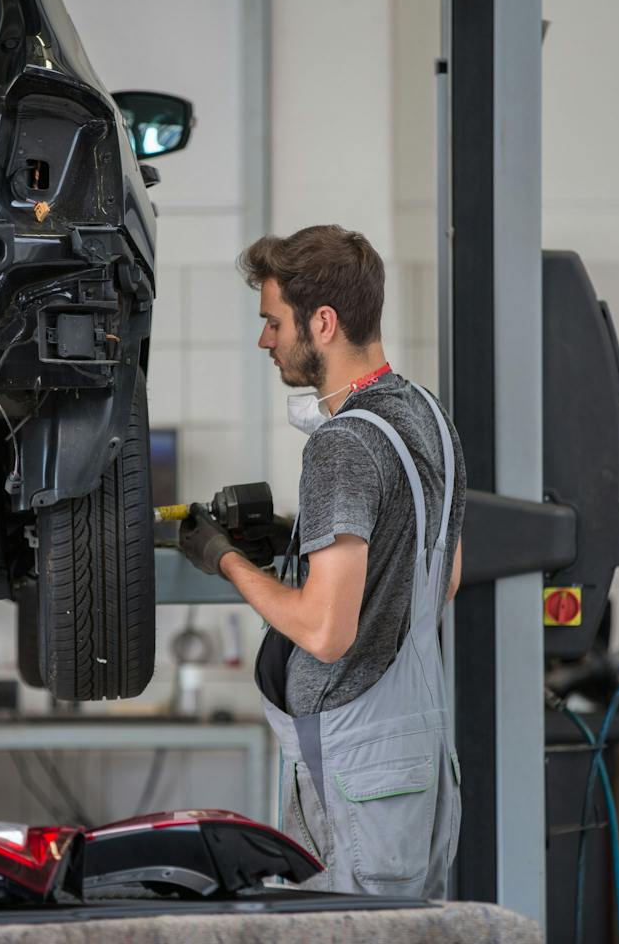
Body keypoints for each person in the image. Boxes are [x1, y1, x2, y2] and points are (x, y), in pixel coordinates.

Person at [177, 224, 466, 898]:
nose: (265, 340)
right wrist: (299, 544)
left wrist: (222, 559)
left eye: (274, 322)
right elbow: (439, 575)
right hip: (413, 759)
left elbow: (325, 633)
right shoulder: (428, 416)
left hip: (357, 771)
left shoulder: (342, 446)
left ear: (324, 323)